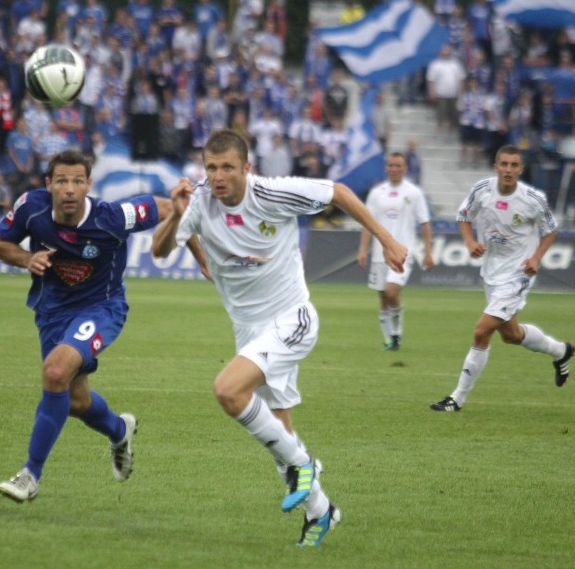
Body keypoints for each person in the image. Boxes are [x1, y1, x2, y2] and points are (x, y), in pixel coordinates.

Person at [150, 130, 407, 547]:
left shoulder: (273, 193)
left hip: (292, 318)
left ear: (247, 169)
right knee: (278, 432)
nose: (218, 176)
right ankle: (321, 512)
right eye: (211, 167)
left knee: (228, 391)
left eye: (228, 167)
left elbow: (338, 192)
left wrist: (387, 238)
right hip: (249, 330)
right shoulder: (197, 201)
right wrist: (177, 215)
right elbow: (160, 251)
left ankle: (306, 465)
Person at [0, 150, 174, 503]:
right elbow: (1, 244)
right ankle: (120, 431)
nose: (70, 189)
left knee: (55, 370)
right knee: (75, 401)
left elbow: (169, 208)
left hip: (101, 308)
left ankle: (30, 475)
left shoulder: (111, 217)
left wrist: (197, 251)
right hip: (52, 311)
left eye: (78, 181)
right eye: (62, 181)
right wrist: (27, 258)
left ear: (89, 184)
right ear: (49, 184)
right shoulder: (31, 207)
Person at [430, 145, 575, 412]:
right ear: (496, 166)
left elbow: (551, 229)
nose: (508, 170)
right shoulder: (482, 190)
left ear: (521, 169)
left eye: (514, 165)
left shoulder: (532, 199)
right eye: (504, 164)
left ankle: (457, 399)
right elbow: (463, 216)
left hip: (518, 273)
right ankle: (560, 351)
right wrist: (470, 241)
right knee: (511, 335)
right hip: (491, 271)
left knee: (481, 331)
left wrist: (536, 258)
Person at [357, 152, 434, 351]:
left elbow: (424, 222)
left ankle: (397, 333)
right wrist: (362, 249)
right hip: (379, 253)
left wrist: (428, 252)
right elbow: (367, 222)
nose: (394, 169)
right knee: (383, 297)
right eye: (391, 165)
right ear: (386, 168)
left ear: (405, 168)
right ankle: (389, 341)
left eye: (398, 165)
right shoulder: (377, 193)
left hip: (403, 252)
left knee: (392, 291)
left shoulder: (414, 193)